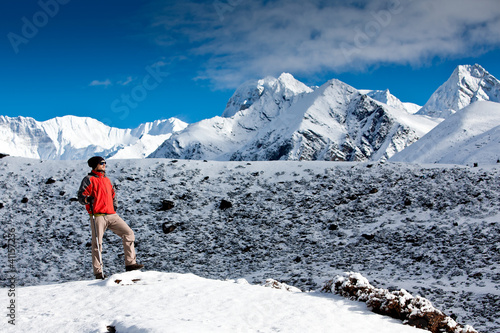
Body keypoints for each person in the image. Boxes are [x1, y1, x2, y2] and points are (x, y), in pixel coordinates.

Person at [78, 156, 143, 279]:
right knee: (97, 244)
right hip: (97, 216)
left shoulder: (107, 180)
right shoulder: (88, 179)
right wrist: (87, 199)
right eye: (102, 163)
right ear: (95, 165)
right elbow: (81, 197)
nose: (104, 165)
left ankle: (130, 264)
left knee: (128, 233)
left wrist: (114, 206)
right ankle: (98, 273)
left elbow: (113, 194)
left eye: (104, 163)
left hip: (111, 215)